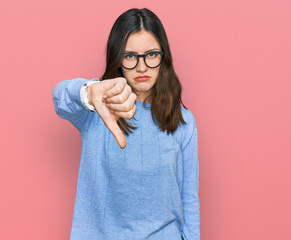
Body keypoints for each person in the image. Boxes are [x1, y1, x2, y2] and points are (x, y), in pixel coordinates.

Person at [52, 8, 200, 240]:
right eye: (130, 56)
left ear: (164, 57)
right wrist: (89, 93)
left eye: (151, 54)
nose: (142, 67)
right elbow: (59, 97)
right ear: (118, 58)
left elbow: (189, 198)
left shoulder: (183, 121)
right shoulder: (96, 110)